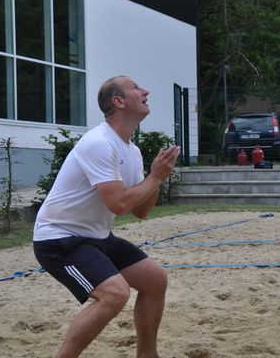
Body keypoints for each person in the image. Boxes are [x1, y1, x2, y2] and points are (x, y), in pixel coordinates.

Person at [33, 76, 180, 358]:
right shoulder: (99, 142)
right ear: (118, 101)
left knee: (155, 280)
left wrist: (157, 178)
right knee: (115, 294)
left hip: (97, 237)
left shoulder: (132, 151)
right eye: (136, 87)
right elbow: (119, 204)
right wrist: (155, 177)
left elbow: (140, 211)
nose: (146, 91)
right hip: (60, 239)